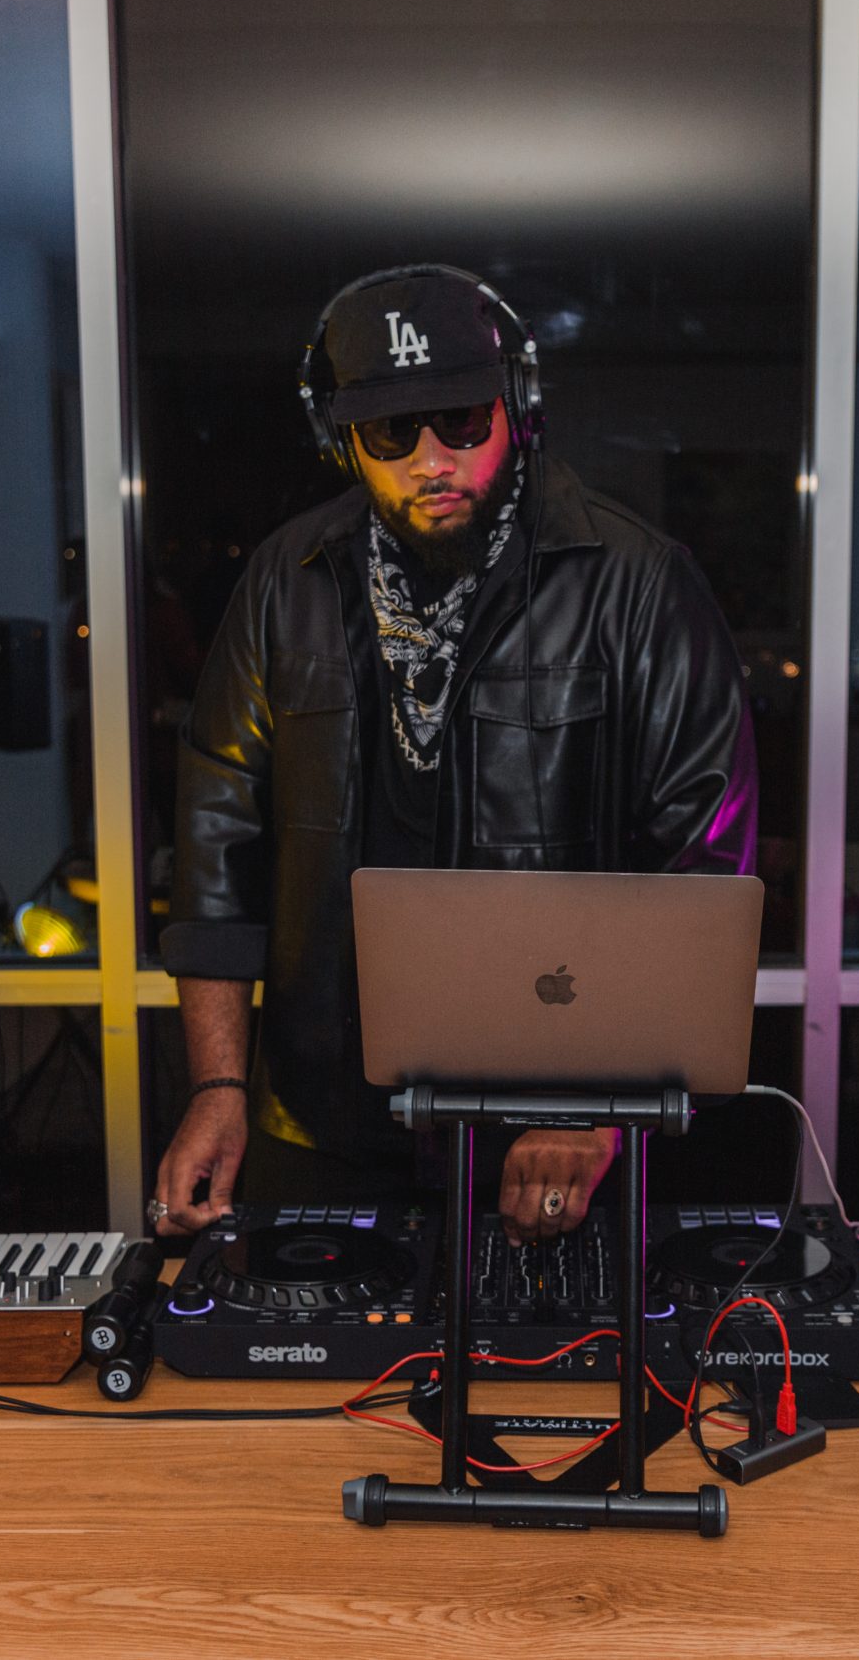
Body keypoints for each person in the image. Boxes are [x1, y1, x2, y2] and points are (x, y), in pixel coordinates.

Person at [149, 265, 756, 1243]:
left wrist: (597, 1115)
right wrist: (217, 1085)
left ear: (516, 411)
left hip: (548, 1135)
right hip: (318, 1124)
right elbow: (218, 845)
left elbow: (699, 869)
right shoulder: (282, 582)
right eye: (392, 432)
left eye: (462, 421)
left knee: (558, 1385)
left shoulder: (638, 586)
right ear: (340, 439)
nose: (432, 458)